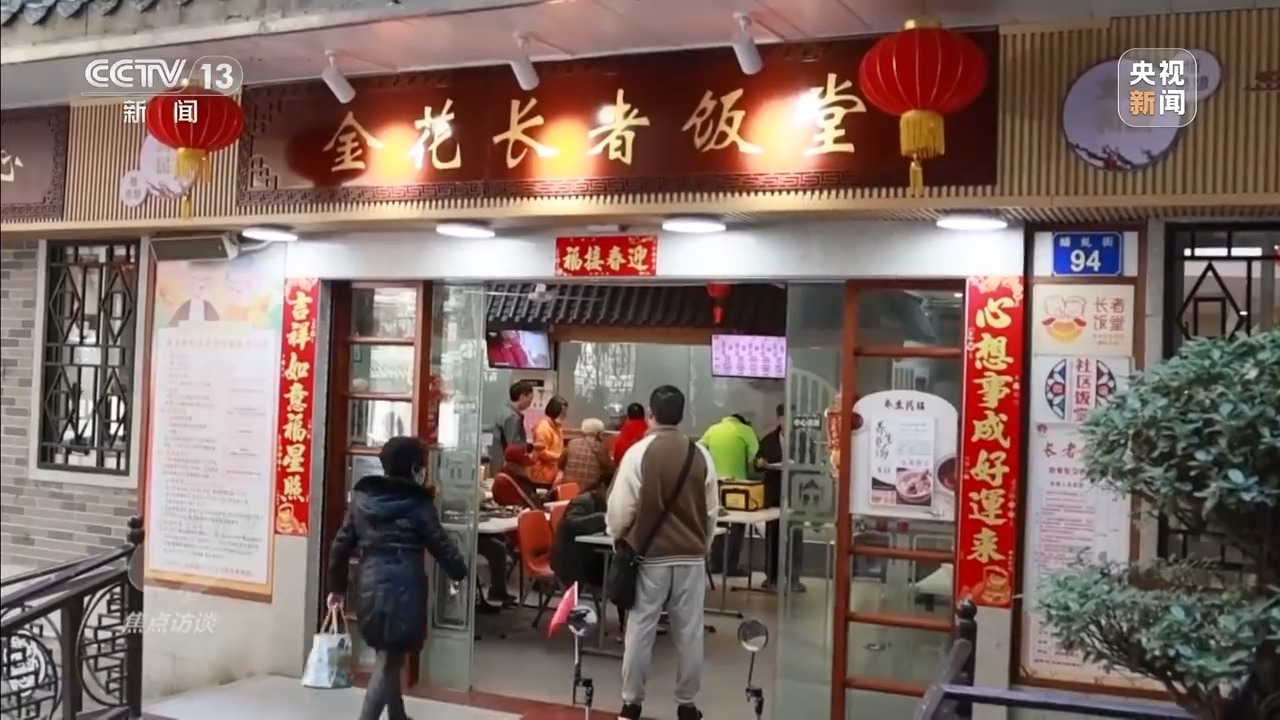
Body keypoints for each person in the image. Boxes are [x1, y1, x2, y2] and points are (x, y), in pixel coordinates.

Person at [326, 436, 469, 720]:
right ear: (414, 467)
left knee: (388, 652)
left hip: (369, 583)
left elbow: (340, 545)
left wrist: (337, 588)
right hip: (405, 586)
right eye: (422, 465)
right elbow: (440, 543)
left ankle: (398, 715)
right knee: (389, 660)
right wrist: (459, 571)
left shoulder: (362, 499)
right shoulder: (418, 503)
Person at [607, 385, 719, 720]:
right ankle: (687, 703)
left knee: (641, 628)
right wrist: (702, 547)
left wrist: (618, 538)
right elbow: (711, 511)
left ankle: (631, 702)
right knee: (690, 631)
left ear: (650, 414)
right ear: (682, 415)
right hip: (690, 557)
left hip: (649, 557)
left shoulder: (638, 453)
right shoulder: (700, 455)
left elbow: (620, 508)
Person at [700, 413, 759, 577]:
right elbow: (758, 456)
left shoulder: (713, 429)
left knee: (718, 524)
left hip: (716, 485)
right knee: (738, 526)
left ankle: (715, 563)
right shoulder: (746, 430)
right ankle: (731, 566)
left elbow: (699, 448)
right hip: (737, 487)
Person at [756, 403, 806, 593]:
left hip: (795, 493)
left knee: (795, 536)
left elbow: (812, 462)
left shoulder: (803, 439)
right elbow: (756, 463)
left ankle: (794, 578)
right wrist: (760, 463)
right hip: (774, 493)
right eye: (786, 418)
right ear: (779, 419)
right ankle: (771, 577)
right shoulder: (768, 440)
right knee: (773, 536)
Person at [489, 380, 534, 474]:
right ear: (522, 396)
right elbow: (513, 446)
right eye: (530, 399)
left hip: (499, 461)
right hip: (506, 465)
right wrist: (530, 447)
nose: (530, 403)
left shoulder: (504, 411)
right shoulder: (512, 417)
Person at [559, 417, 615, 491]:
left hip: (568, 488)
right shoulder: (599, 447)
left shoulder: (572, 443)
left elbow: (560, 464)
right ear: (598, 433)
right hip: (588, 491)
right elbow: (610, 470)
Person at [529, 396, 567, 487]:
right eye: (563, 412)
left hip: (553, 472)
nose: (565, 415)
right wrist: (561, 457)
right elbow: (541, 452)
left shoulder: (557, 426)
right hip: (542, 474)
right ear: (555, 410)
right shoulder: (543, 428)